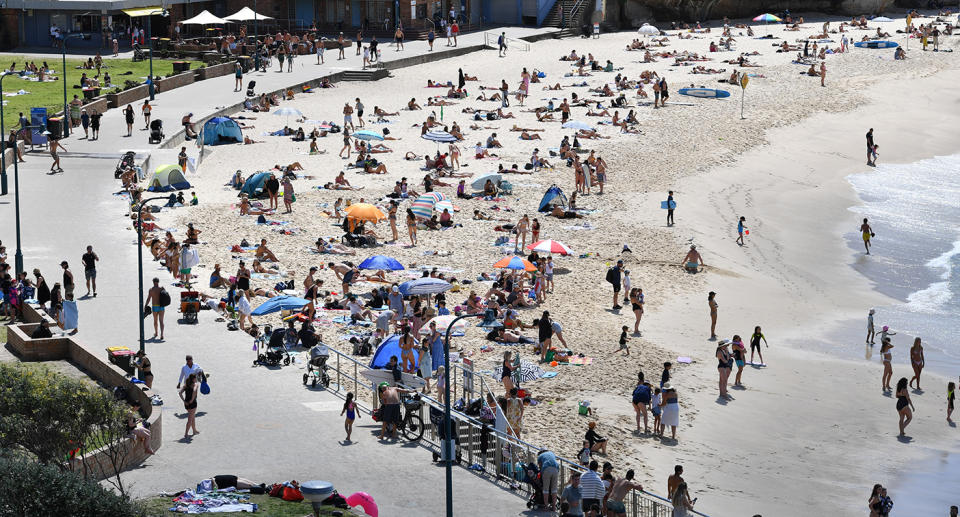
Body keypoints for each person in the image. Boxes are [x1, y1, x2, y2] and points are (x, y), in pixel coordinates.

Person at [179, 373, 200, 439]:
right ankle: (186, 434)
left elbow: (180, 393)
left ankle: (194, 430)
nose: (196, 379)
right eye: (195, 378)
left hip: (186, 404)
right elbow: (194, 391)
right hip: (192, 404)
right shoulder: (195, 385)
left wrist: (184, 401)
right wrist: (192, 399)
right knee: (190, 419)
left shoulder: (186, 384)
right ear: (194, 379)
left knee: (192, 416)